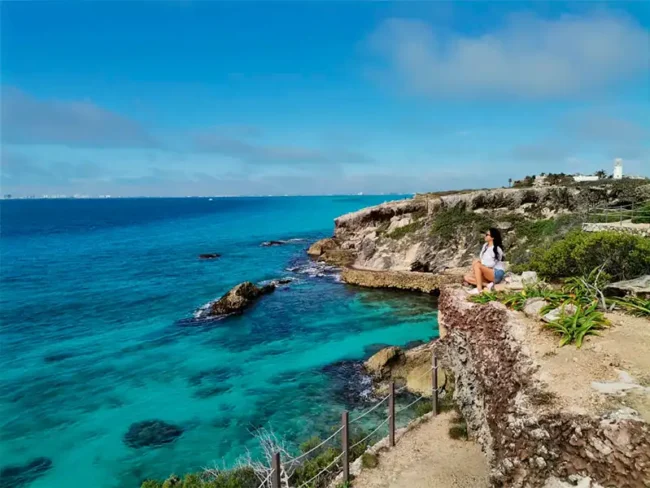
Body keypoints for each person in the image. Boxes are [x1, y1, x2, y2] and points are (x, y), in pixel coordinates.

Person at [464, 227, 505, 294]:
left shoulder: (497, 249)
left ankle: (479, 289)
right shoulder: (485, 246)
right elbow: (482, 258)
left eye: (487, 234)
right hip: (487, 272)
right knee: (467, 277)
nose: (485, 236)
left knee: (477, 264)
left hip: (496, 273)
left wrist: (480, 262)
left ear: (492, 237)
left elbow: (492, 264)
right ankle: (488, 285)